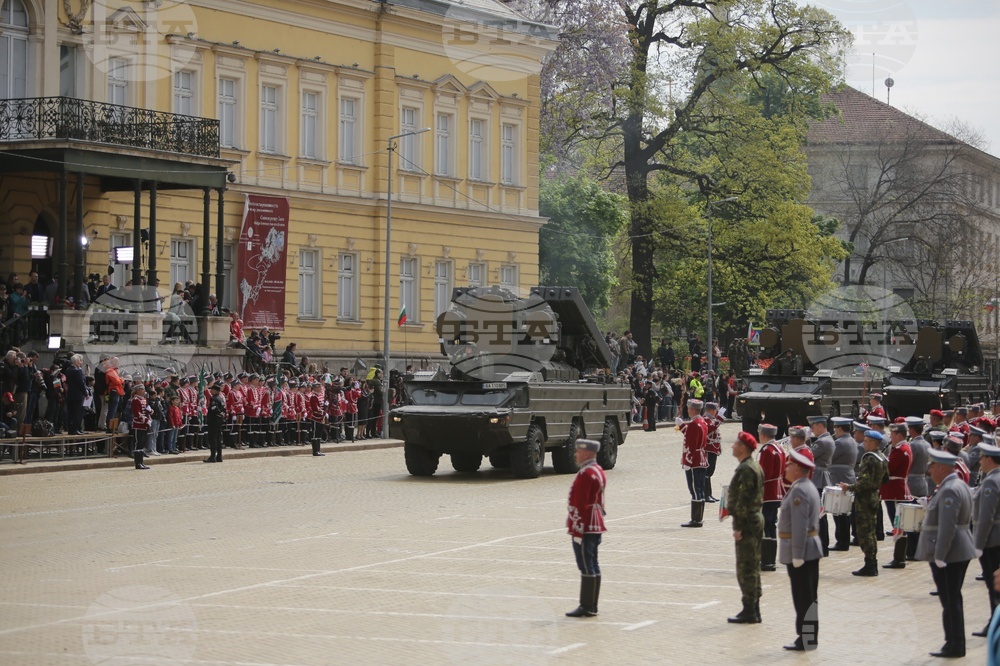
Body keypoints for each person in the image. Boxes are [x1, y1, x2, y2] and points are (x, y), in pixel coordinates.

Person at [779, 445, 822, 652]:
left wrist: (797, 554)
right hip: (809, 549)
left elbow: (800, 525)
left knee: (803, 597)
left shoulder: (799, 490)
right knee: (808, 596)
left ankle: (805, 639)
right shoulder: (806, 486)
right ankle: (809, 637)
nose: (785, 468)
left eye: (788, 465)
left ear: (797, 469)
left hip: (802, 551)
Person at [565, 438, 607, 618]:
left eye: (579, 452)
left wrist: (577, 530)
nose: (576, 454)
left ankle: (587, 605)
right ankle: (592, 605)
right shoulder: (598, 470)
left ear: (587, 453)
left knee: (586, 564)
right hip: (596, 521)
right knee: (593, 563)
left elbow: (580, 503)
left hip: (586, 524)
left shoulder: (585, 473)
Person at [727, 431, 764, 624]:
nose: (732, 446)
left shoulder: (746, 469)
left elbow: (743, 500)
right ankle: (754, 608)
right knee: (753, 565)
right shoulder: (752, 466)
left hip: (747, 522)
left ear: (743, 448)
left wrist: (738, 526)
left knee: (746, 567)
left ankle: (749, 609)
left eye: (735, 444)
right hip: (754, 519)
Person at [842, 430, 888, 576]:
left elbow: (864, 483)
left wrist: (849, 487)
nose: (864, 444)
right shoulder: (882, 457)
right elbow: (885, 478)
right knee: (871, 531)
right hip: (874, 495)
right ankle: (872, 563)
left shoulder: (869, 458)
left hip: (865, 499)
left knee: (864, 532)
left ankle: (870, 565)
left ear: (873, 443)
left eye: (867, 441)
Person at [974, 442, 1000, 638]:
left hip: (992, 540)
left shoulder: (991, 482)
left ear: (989, 460)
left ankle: (995, 623)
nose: (980, 461)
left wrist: (978, 544)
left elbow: (986, 517)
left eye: (982, 458)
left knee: (994, 586)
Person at [882, 422, 914, 569]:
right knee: (899, 525)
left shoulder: (900, 450)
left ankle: (899, 558)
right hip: (897, 489)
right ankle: (900, 557)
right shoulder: (904, 448)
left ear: (899, 435)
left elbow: (887, 468)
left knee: (898, 525)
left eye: (893, 435)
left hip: (895, 491)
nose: (891, 437)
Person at [757, 423, 785, 572]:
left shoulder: (767, 450)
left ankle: (767, 560)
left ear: (763, 435)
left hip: (767, 492)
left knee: (766, 525)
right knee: (771, 525)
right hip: (776, 491)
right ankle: (769, 559)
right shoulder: (778, 448)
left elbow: (763, 473)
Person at [828, 417, 858, 551]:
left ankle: (842, 541)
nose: (835, 431)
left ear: (839, 428)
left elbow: (828, 456)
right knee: (844, 511)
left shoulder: (840, 443)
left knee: (839, 512)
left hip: (839, 477)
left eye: (835, 428)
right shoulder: (851, 440)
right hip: (847, 476)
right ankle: (843, 540)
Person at [807, 416, 835, 556]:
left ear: (820, 426)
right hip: (821, 477)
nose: (812, 430)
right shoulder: (827, 439)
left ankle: (822, 545)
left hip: (818, 479)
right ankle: (822, 545)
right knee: (820, 514)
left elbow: (808, 456)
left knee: (818, 515)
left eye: (813, 427)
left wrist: (805, 441)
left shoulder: (822, 442)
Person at [678, 398, 708, 527]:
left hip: (694, 460)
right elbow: (691, 436)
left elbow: (691, 444)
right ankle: (698, 518)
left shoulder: (694, 424)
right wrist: (681, 426)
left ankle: (696, 520)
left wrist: (688, 462)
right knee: (699, 490)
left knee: (695, 490)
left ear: (691, 409)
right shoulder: (702, 422)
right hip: (701, 458)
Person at [703, 402, 724, 502]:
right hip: (708, 448)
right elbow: (711, 428)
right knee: (707, 472)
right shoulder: (705, 419)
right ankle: (705, 494)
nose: (716, 412)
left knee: (710, 472)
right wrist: (719, 418)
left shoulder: (711, 419)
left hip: (712, 448)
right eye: (715, 410)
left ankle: (709, 494)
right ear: (711, 410)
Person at [64, 354, 87, 435]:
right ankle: (75, 428)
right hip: (78, 395)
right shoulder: (77, 371)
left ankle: (71, 429)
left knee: (71, 413)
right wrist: (86, 393)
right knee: (77, 413)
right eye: (79, 361)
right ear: (75, 361)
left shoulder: (68, 370)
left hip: (70, 394)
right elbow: (81, 383)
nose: (80, 362)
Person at [205, 383, 227, 463]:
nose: (210, 391)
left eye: (211, 390)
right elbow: (224, 409)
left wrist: (219, 414)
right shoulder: (221, 398)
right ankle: (219, 456)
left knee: (212, 438)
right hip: (219, 420)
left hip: (213, 420)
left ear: (215, 390)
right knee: (218, 438)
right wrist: (222, 415)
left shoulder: (213, 398)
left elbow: (214, 408)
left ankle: (213, 456)